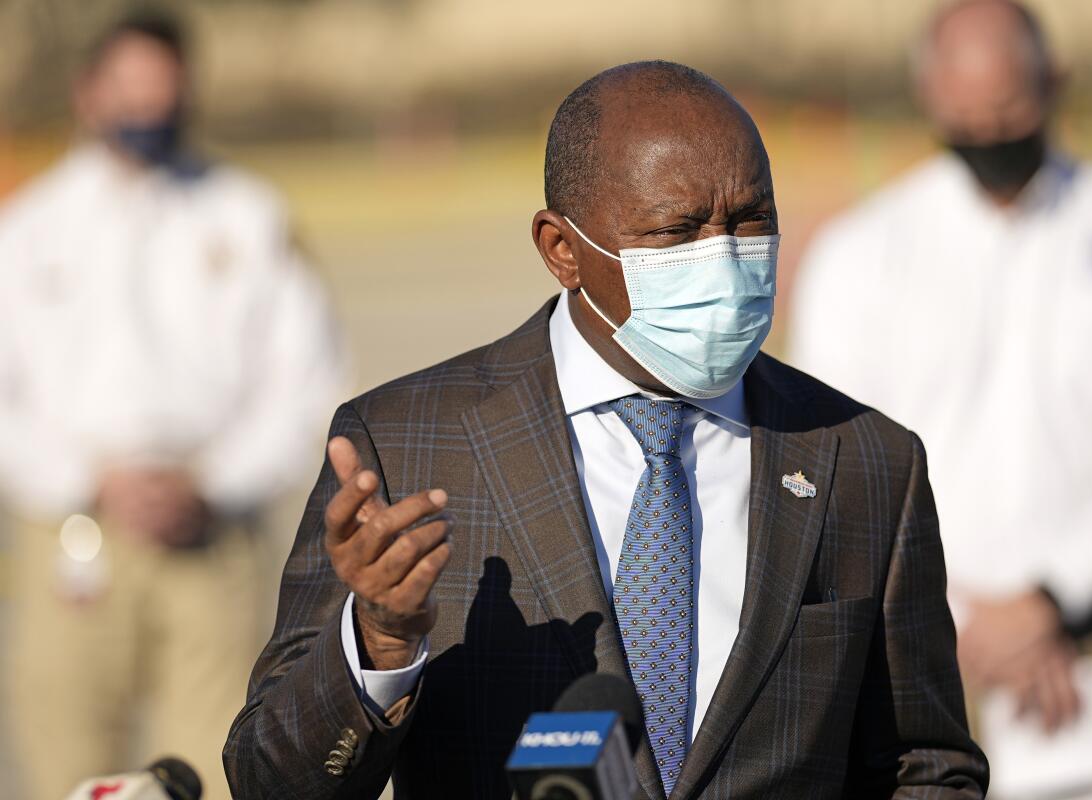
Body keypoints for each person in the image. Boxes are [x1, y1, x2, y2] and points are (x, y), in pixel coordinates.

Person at [224, 60, 987, 799]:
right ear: (563, 251)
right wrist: (379, 645)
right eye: (676, 231)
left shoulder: (866, 461)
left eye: (751, 219)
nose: (722, 257)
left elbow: (925, 766)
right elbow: (268, 781)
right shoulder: (406, 443)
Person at [788, 1, 1092, 798]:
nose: (990, 134)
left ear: (1055, 84)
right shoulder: (860, 256)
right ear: (929, 99)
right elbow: (838, 462)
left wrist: (1051, 601)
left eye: (1008, 110)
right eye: (967, 116)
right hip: (908, 648)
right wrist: (966, 623)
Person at [0, 10, 343, 799]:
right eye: (129, 91)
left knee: (223, 764)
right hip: (74, 539)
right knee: (69, 771)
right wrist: (95, 482)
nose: (147, 111)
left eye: (164, 93)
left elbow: (305, 378)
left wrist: (212, 481)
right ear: (89, 93)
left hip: (211, 535)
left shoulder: (248, 215)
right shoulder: (28, 227)